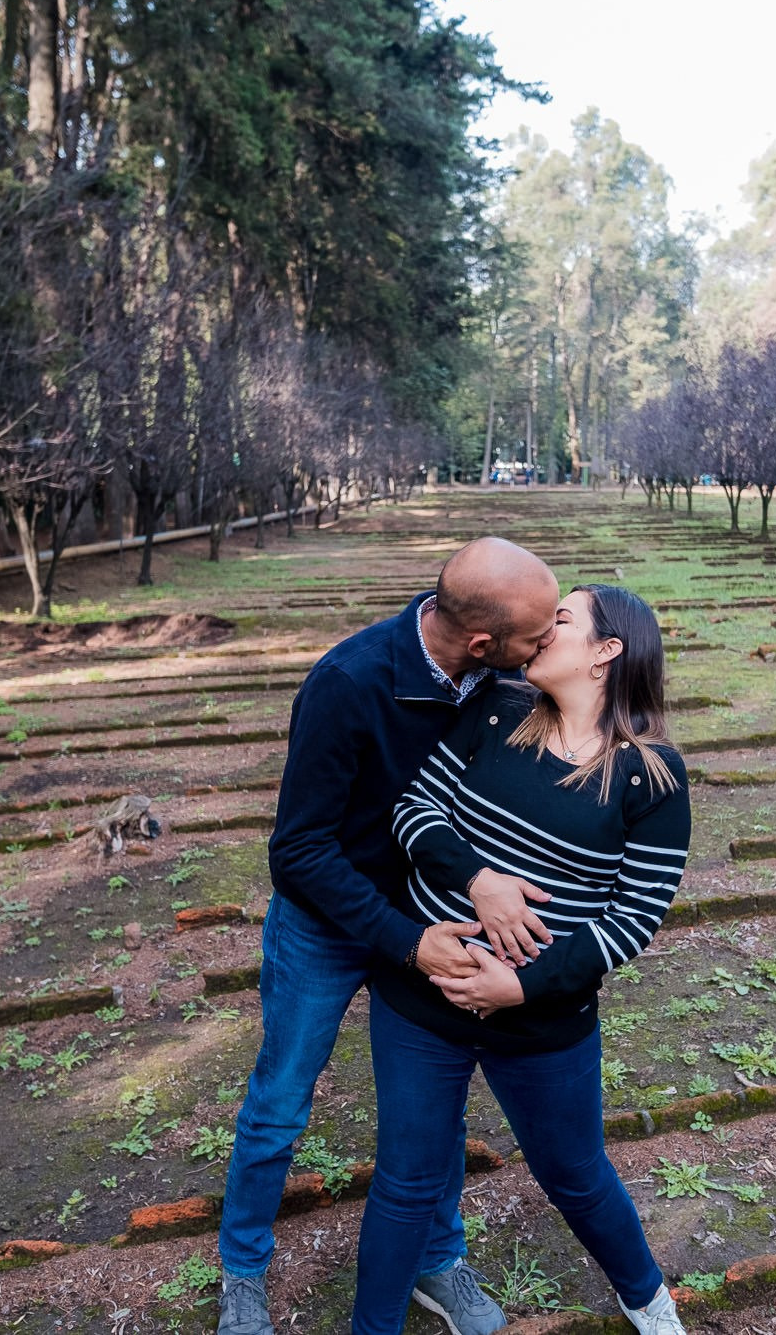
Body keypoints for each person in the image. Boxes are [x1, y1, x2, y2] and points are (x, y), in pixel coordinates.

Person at [215, 538, 561, 1335]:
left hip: (435, 915)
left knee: (430, 1108)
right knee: (280, 1103)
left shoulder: (500, 681)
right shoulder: (348, 682)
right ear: (482, 641)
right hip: (329, 925)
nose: (546, 645)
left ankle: (437, 1259)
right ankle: (242, 1272)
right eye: (537, 634)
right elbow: (297, 852)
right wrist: (405, 941)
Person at [354, 584, 693, 1335]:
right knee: (406, 1183)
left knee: (575, 1176)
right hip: (421, 1000)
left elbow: (634, 917)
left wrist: (521, 984)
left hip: (544, 1023)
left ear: (607, 651)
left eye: (562, 621)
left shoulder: (652, 775)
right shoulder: (498, 711)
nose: (540, 632)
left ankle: (653, 1306)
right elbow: (414, 810)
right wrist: (478, 880)